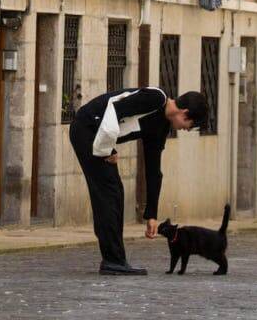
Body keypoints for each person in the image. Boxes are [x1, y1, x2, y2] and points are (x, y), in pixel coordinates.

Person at [70, 85, 208, 275]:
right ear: (184, 113)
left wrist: (151, 214)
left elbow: (153, 170)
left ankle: (114, 259)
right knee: (109, 194)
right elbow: (114, 110)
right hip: (86, 129)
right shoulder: (156, 98)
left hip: (97, 138)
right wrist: (108, 148)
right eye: (190, 125)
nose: (187, 129)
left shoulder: (161, 127)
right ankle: (113, 261)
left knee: (113, 194)